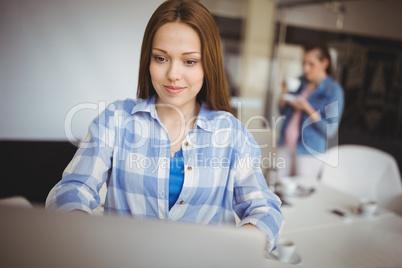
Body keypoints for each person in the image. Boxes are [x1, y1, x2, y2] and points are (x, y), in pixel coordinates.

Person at [46, 0, 284, 252]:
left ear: (209, 65)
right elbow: (71, 189)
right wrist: (84, 231)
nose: (173, 74)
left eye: (189, 61)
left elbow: (265, 210)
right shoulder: (116, 119)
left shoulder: (232, 133)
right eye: (161, 58)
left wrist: (233, 248)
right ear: (148, 61)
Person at [278, 43, 344, 179]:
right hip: (286, 145)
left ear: (324, 63)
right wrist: (284, 92)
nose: (305, 68)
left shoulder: (333, 90)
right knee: (277, 187)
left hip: (309, 151)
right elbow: (282, 112)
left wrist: (307, 108)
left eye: (311, 64)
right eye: (304, 63)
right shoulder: (300, 82)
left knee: (302, 192)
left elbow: (330, 130)